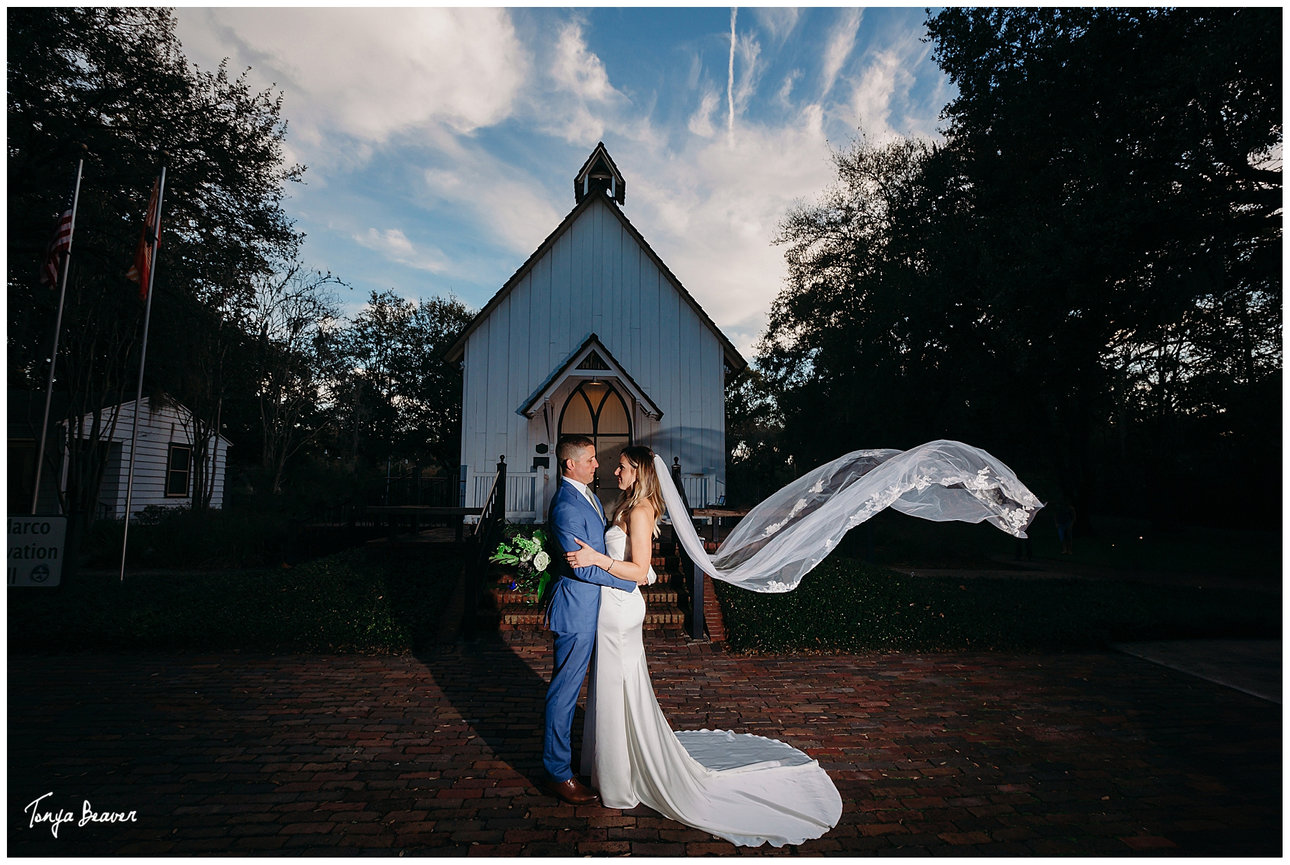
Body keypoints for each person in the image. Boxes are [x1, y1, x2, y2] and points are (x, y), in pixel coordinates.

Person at [564, 445, 843, 847]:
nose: (616, 470)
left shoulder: (640, 511)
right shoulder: (627, 506)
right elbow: (642, 569)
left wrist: (595, 558)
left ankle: (619, 779)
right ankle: (611, 765)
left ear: (639, 472)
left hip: (621, 610)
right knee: (613, 688)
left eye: (623, 467)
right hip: (613, 605)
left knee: (616, 686)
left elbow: (639, 569)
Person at [541, 435, 647, 806]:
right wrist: (629, 577)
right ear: (570, 464)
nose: (596, 465)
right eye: (589, 459)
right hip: (576, 609)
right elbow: (582, 568)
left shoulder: (586, 494)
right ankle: (557, 772)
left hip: (598, 608)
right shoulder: (566, 506)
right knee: (564, 692)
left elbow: (599, 550)